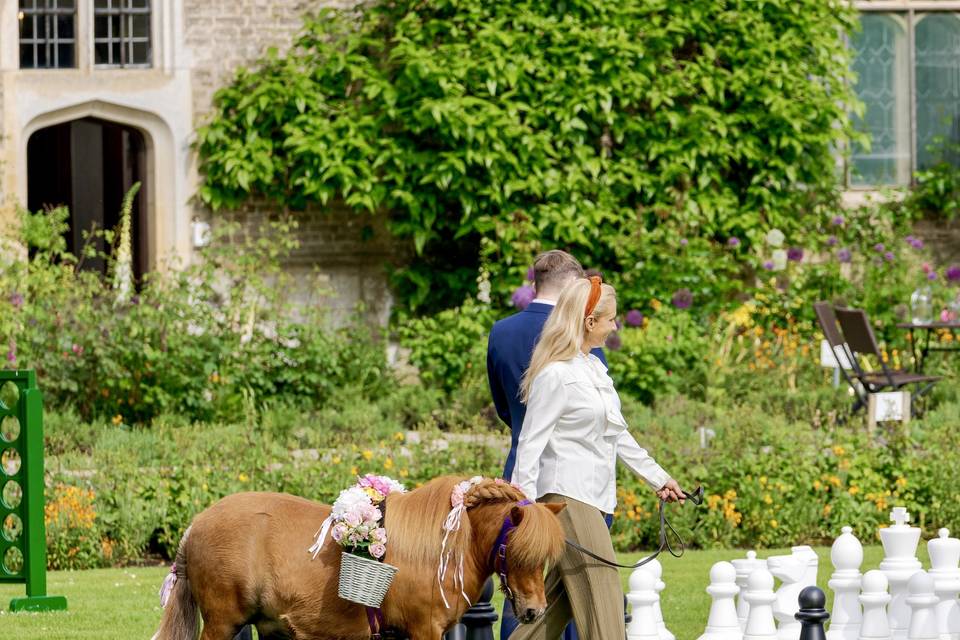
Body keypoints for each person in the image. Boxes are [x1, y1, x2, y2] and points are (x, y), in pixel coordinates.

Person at [509, 276, 685, 640]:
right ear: (589, 322)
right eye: (611, 320)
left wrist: (659, 478)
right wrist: (525, 510)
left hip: (593, 497)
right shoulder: (555, 375)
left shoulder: (592, 368)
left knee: (558, 606)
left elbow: (617, 433)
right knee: (604, 598)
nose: (615, 326)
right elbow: (530, 443)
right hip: (567, 498)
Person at [486, 250, 605, 640]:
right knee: (578, 588)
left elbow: (504, 406)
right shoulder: (581, 335)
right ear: (572, 286)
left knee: (524, 582)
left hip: (521, 474)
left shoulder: (501, 332)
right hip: (575, 483)